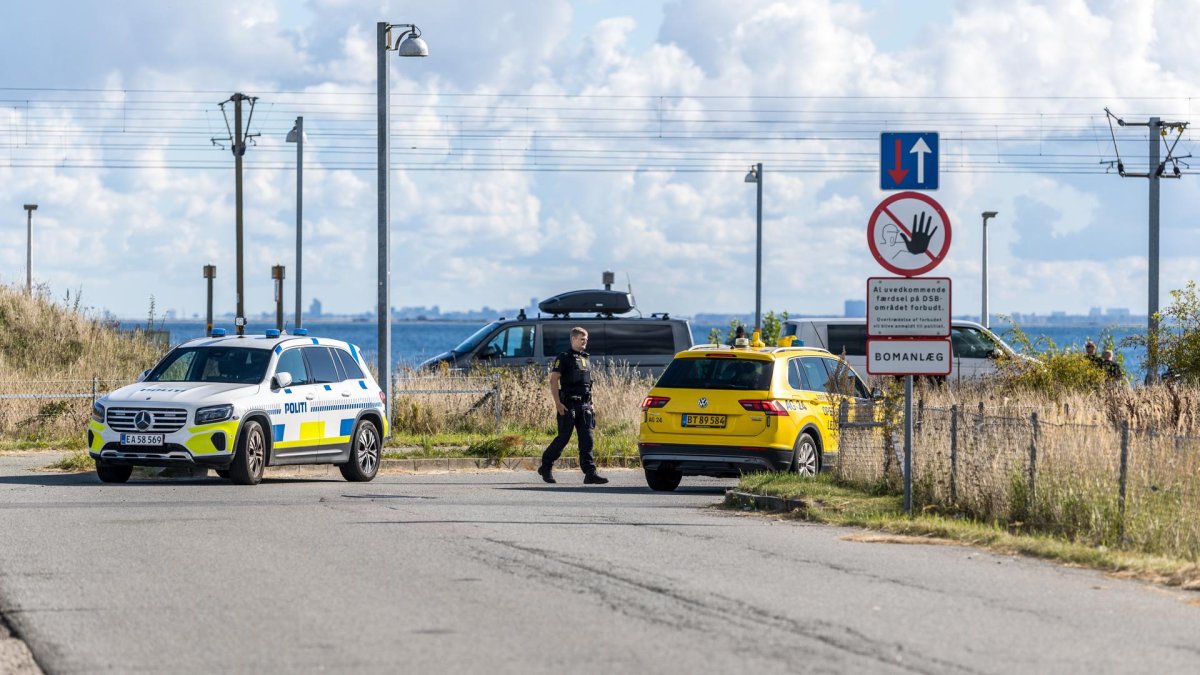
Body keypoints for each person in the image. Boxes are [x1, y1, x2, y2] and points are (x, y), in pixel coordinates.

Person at [538, 327, 608, 485]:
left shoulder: (585, 358)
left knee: (587, 440)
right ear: (574, 339)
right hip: (568, 404)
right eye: (582, 339)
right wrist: (558, 403)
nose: (585, 342)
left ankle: (590, 473)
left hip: (585, 406)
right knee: (563, 438)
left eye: (586, 340)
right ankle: (546, 466)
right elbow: (553, 380)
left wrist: (591, 404)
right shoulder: (564, 357)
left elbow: (587, 384)